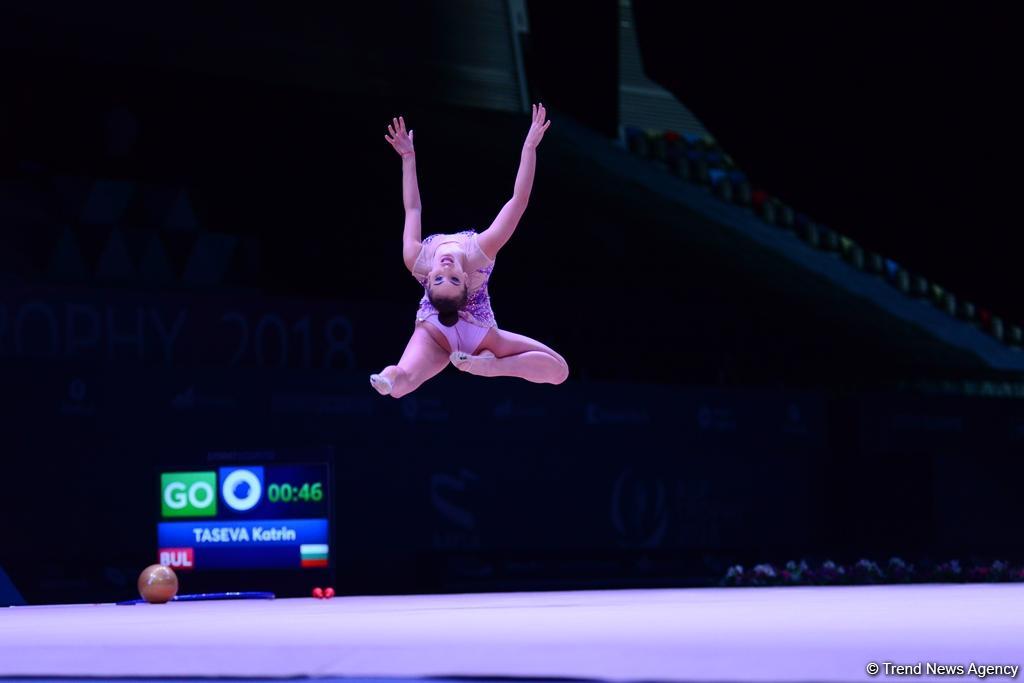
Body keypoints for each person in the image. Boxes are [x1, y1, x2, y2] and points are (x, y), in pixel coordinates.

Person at [370, 105, 569, 398]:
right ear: (466, 279)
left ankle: (486, 367)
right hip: (479, 337)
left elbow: (412, 208)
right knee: (559, 369)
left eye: (439, 279)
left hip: (433, 330)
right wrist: (529, 146)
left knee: (560, 371)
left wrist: (408, 158)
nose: (446, 270)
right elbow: (519, 200)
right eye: (453, 279)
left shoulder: (418, 260)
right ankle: (482, 365)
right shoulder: (480, 254)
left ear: (428, 278)